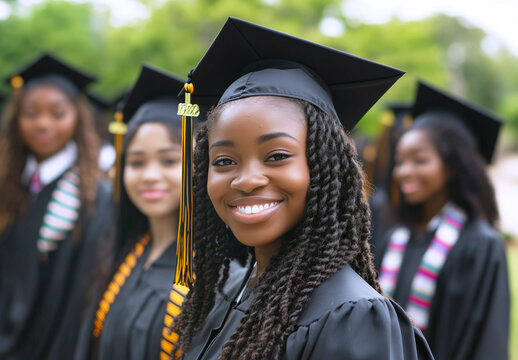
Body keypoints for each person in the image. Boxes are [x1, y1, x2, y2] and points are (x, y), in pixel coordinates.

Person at [170, 17, 434, 360]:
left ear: (325, 168)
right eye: (224, 161)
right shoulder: (232, 292)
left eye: (276, 156)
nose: (247, 179)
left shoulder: (352, 318)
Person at [374, 81, 510, 360]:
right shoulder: (396, 237)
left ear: (452, 166)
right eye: (400, 161)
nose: (403, 172)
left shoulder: (480, 244)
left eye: (420, 160)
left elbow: (486, 345)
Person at [74, 64, 193, 360]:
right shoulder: (122, 251)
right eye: (136, 163)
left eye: (168, 161)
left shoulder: (216, 273)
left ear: (198, 164)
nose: (150, 175)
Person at [0, 53, 113, 359]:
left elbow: (79, 294)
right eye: (31, 113)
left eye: (57, 113)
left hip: (46, 343)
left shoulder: (91, 195)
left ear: (77, 117)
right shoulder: (10, 184)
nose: (43, 123)